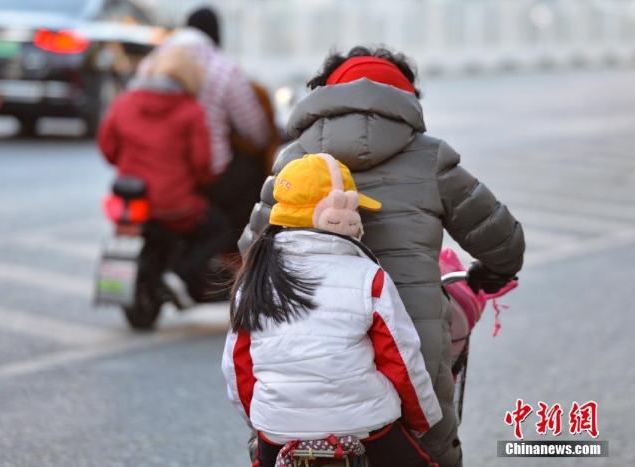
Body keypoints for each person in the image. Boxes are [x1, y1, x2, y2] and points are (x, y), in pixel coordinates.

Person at [239, 47, 526, 467]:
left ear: (325, 94)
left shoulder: (292, 163)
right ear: (405, 100)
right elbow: (505, 242)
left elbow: (250, 256)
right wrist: (493, 272)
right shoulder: (431, 158)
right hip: (415, 362)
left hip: (294, 378)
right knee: (432, 452)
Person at [223, 153, 442, 467]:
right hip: (364, 426)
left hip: (278, 428)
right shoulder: (369, 278)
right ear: (340, 216)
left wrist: (260, 418)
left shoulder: (253, 279)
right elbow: (401, 358)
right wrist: (422, 419)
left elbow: (237, 365)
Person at [97, 46, 238, 306]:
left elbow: (107, 148)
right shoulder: (191, 110)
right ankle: (180, 275)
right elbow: (203, 164)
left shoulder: (124, 102)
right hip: (175, 204)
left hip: (132, 200)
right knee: (221, 229)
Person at [138, 7, 272, 233]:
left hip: (148, 170)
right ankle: (237, 248)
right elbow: (255, 131)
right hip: (201, 179)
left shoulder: (148, 65)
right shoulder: (222, 71)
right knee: (255, 176)